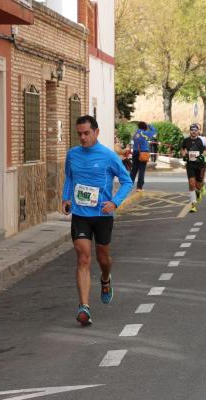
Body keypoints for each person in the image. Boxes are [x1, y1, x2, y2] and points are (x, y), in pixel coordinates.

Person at [62, 115, 133, 327]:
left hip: (102, 216)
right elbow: (69, 177)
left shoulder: (108, 156)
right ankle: (84, 308)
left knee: (103, 259)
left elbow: (127, 181)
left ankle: (105, 278)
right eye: (79, 134)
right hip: (81, 215)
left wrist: (115, 202)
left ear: (96, 132)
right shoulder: (72, 155)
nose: (82, 138)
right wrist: (66, 197)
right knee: (83, 258)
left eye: (86, 133)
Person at [181, 123, 206, 213]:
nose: (193, 132)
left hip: (200, 165)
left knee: (198, 185)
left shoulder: (202, 140)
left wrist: (203, 154)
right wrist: (184, 154)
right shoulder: (186, 140)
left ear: (198, 131)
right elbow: (182, 149)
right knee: (191, 184)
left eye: (195, 130)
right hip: (190, 165)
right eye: (192, 130)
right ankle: (193, 205)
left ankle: (201, 187)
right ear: (189, 131)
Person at [130, 121, 153, 191]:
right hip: (143, 153)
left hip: (135, 152)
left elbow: (133, 141)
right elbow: (153, 132)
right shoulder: (145, 133)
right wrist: (150, 125)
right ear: (144, 127)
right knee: (141, 171)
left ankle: (128, 186)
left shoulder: (135, 133)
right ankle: (139, 187)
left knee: (133, 170)